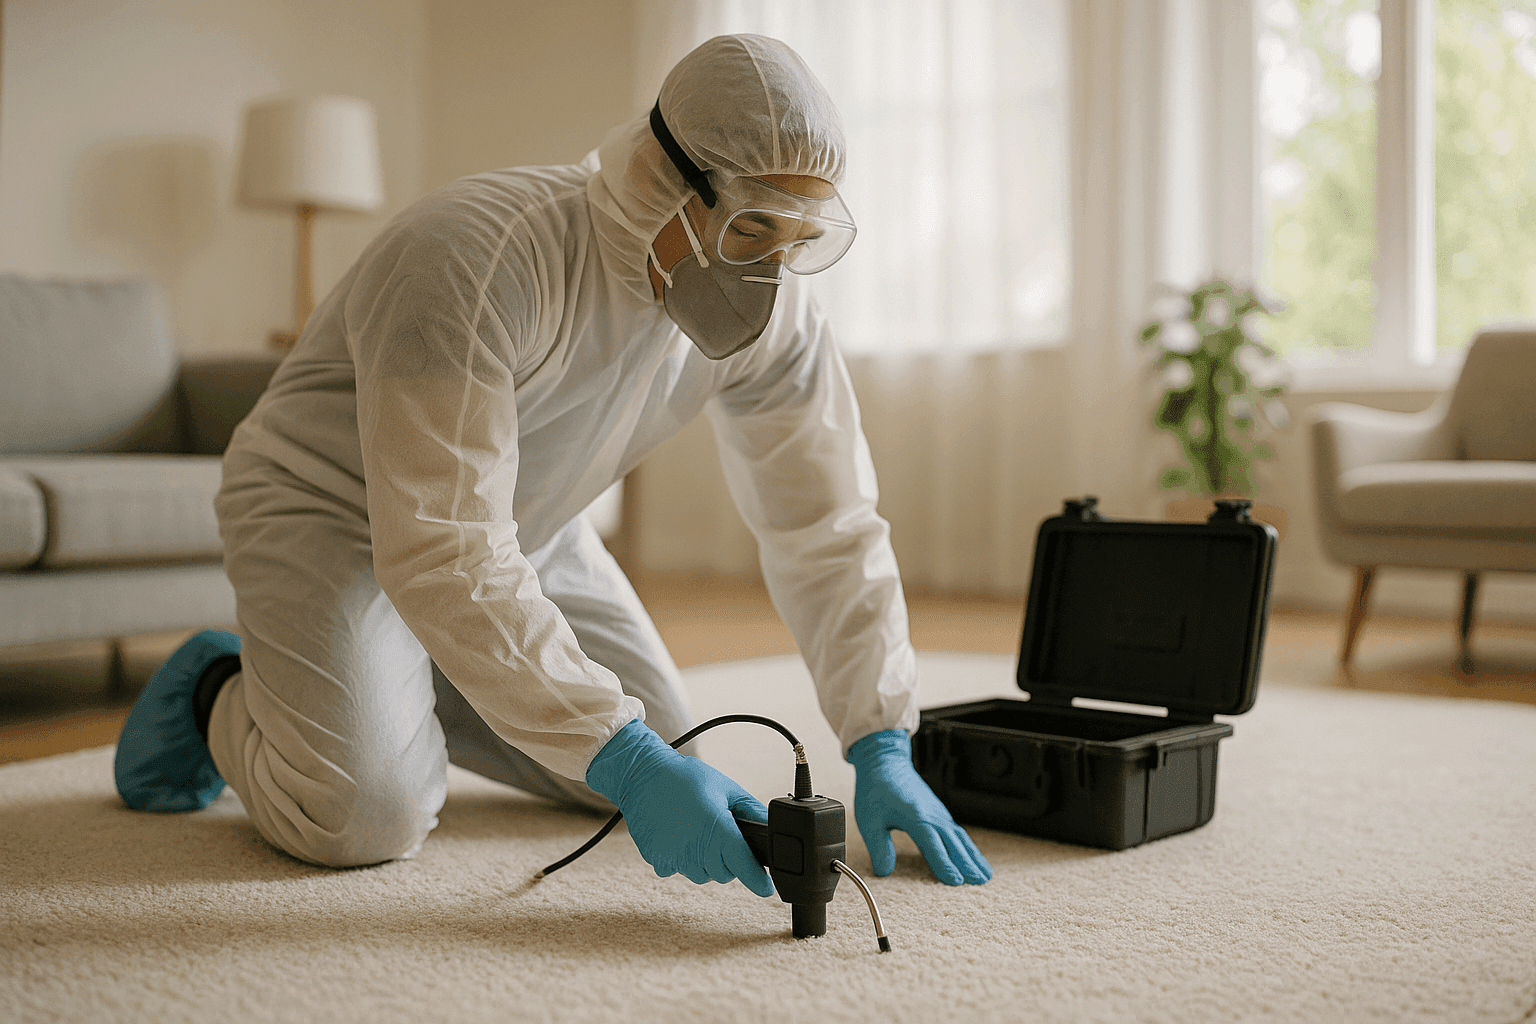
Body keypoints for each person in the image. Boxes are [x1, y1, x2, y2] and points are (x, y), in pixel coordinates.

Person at [113, 34, 991, 895]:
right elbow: (441, 546)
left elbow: (825, 521)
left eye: (798, 237)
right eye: (754, 225)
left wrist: (881, 739)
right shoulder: (477, 256)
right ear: (666, 178)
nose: (772, 268)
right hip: (329, 512)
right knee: (362, 816)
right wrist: (625, 759)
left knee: (669, 749)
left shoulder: (780, 321)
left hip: (528, 530)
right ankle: (220, 686)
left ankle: (393, 682)